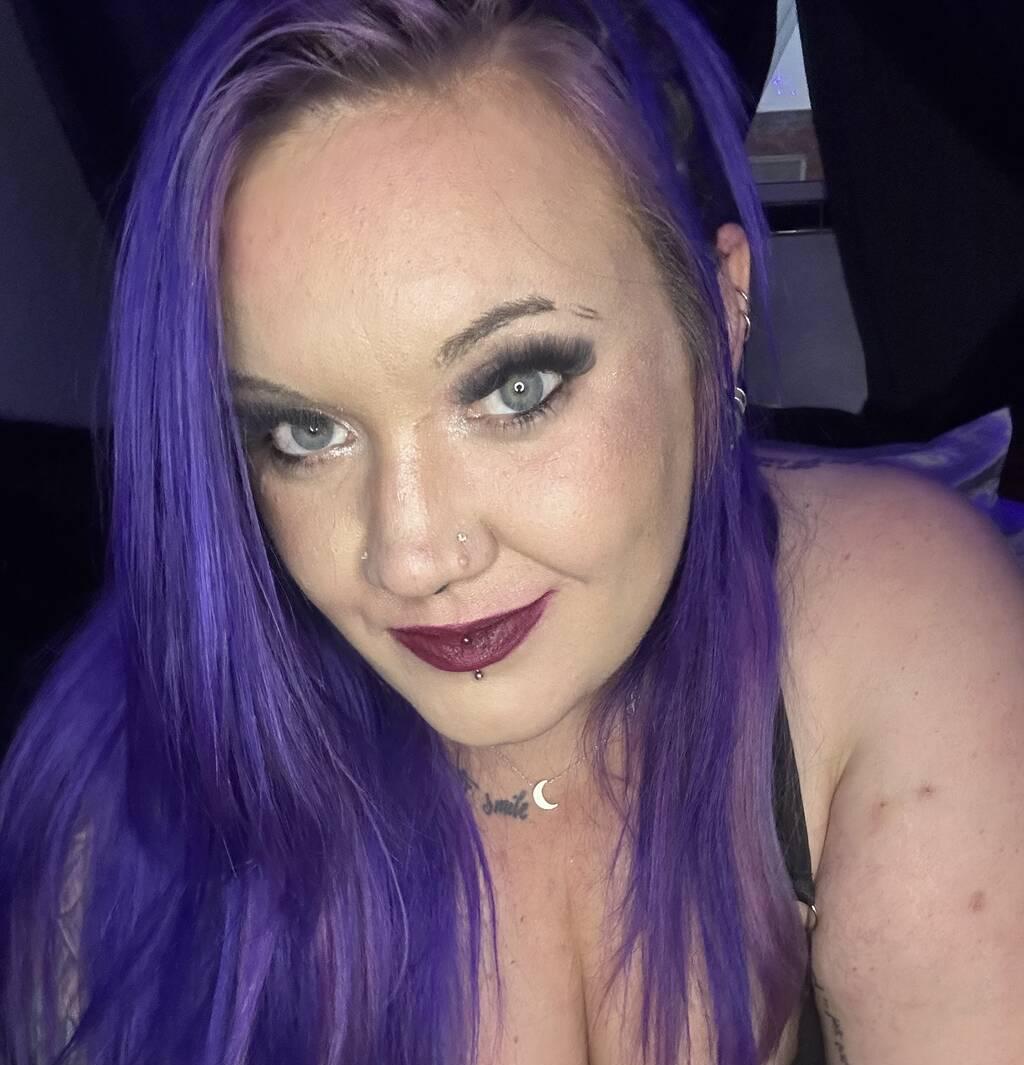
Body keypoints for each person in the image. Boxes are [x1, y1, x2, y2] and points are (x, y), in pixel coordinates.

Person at [1, 1, 1022, 1064]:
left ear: (717, 316)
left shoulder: (897, 621)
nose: (411, 554)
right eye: (305, 432)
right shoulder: (125, 840)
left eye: (516, 387)